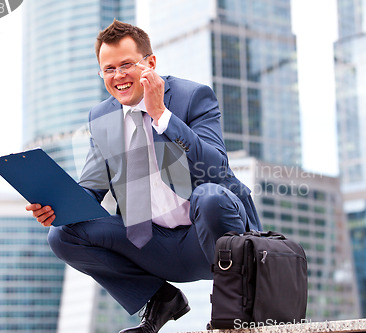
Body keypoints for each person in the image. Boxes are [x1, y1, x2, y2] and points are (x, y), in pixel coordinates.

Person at [26, 19, 261, 333]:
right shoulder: (102, 117)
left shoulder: (193, 96)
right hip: (152, 244)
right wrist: (57, 206)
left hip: (210, 238)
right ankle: (161, 299)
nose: (118, 76)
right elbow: (92, 189)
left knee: (211, 196)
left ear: (150, 63)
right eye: (108, 69)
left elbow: (216, 169)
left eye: (126, 65)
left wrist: (161, 115)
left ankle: (239, 303)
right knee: (63, 234)